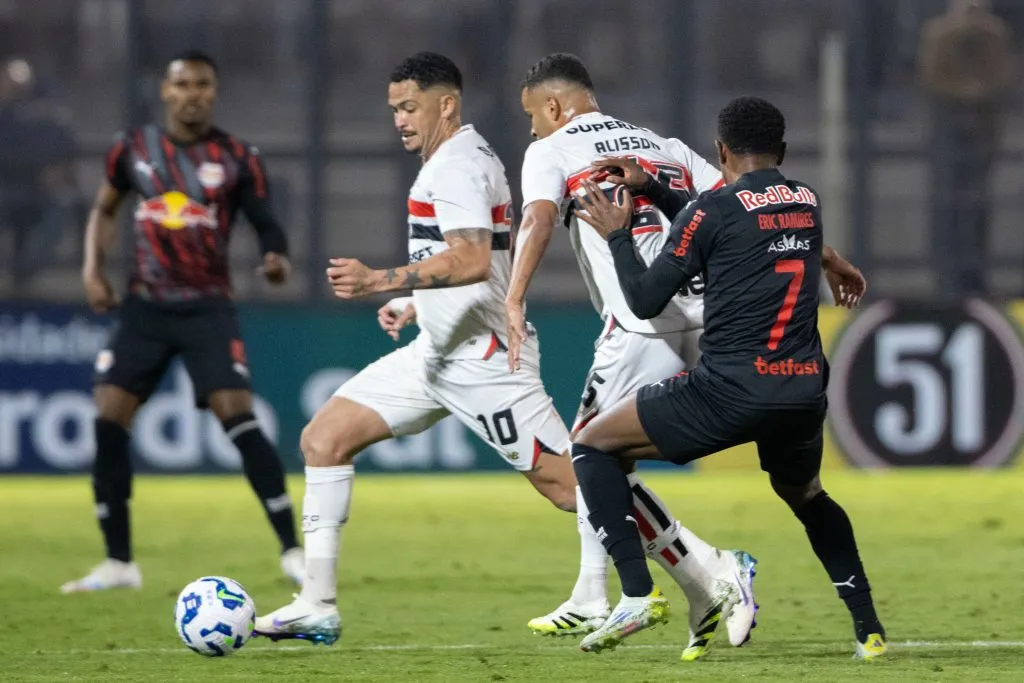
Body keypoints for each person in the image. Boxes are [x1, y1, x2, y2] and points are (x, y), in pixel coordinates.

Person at [567, 96, 886, 660]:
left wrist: (619, 234)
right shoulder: (806, 201)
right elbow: (727, 223)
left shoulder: (712, 212)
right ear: (782, 150)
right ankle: (869, 628)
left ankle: (637, 593)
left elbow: (644, 300)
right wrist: (654, 187)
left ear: (721, 151)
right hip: (802, 390)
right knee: (806, 494)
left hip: (728, 393)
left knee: (592, 446)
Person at [509, 52, 761, 660]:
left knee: (589, 452)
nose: (532, 129)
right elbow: (745, 203)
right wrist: (826, 257)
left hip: (644, 325)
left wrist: (513, 299)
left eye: (532, 117)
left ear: (552, 106)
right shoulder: (661, 144)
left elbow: (537, 220)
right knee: (607, 460)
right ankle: (647, 588)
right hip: (706, 318)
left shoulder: (551, 149)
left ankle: (703, 570)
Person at [62, 50, 303, 593]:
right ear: (165, 91)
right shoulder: (133, 148)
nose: (192, 93)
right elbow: (104, 208)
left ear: (213, 92)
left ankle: (293, 550)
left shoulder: (237, 157)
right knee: (108, 417)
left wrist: (276, 258)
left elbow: (266, 223)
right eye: (182, 84)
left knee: (238, 418)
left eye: (202, 84)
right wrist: (92, 269)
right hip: (145, 305)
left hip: (207, 305)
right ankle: (119, 563)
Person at [917, 0, 1013, 298]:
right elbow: (931, 77)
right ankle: (946, 276)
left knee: (978, 204)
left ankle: (975, 273)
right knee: (947, 203)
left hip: (982, 130)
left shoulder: (995, 34)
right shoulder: (938, 33)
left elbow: (1002, 76)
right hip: (949, 130)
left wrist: (977, 92)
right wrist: (968, 91)